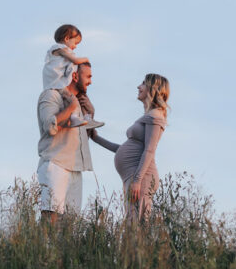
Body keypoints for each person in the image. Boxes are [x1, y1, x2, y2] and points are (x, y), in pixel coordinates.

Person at [91, 73, 170, 221]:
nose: (138, 87)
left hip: (141, 177)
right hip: (133, 176)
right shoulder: (149, 115)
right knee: (132, 224)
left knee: (136, 226)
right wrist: (96, 138)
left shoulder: (156, 116)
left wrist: (138, 180)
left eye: (143, 84)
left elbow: (150, 150)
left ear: (153, 89)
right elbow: (124, 149)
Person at [36, 62, 100, 223]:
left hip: (76, 168)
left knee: (70, 226)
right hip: (56, 165)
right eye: (88, 76)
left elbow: (82, 134)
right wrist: (71, 107)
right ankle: (43, 249)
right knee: (50, 221)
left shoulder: (79, 102)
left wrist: (90, 113)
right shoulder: (51, 96)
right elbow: (50, 126)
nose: (91, 81)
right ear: (74, 76)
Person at [42, 23, 90, 91]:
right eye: (75, 43)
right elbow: (75, 61)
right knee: (71, 99)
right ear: (67, 38)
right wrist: (86, 59)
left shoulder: (61, 50)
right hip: (56, 83)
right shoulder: (60, 49)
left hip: (56, 83)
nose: (75, 46)